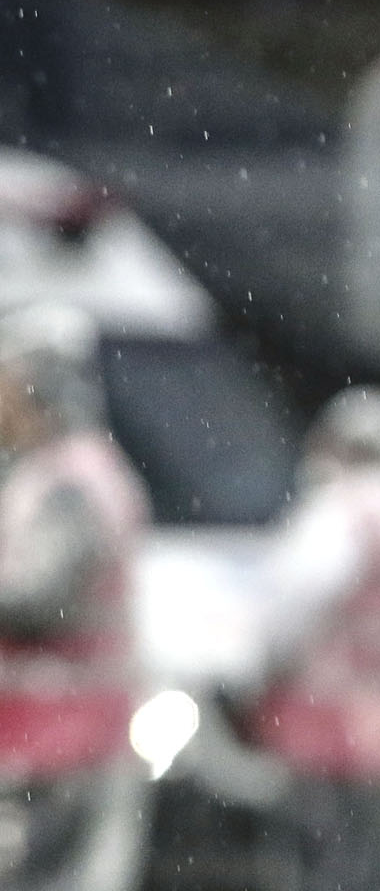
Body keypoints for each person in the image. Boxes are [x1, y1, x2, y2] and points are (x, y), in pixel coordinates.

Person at [247, 385, 380, 891]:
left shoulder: (334, 517)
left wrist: (264, 675)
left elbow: (288, 614)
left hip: (323, 728)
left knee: (320, 867)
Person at [0, 303, 150, 891]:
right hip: (75, 730)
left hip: (52, 733)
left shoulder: (67, 484)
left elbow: (36, 597)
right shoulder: (82, 472)